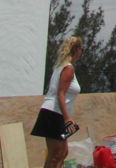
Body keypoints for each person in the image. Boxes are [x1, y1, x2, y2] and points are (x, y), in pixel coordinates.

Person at [31, 36, 82, 168]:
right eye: (81, 49)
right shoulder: (68, 68)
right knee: (55, 154)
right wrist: (67, 118)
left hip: (56, 113)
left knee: (62, 153)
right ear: (76, 49)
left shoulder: (61, 66)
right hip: (53, 113)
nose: (81, 52)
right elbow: (60, 93)